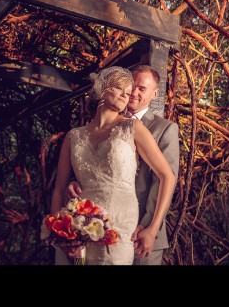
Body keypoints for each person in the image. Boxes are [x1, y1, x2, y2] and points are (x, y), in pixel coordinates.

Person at [50, 66, 176, 265]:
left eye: (131, 91)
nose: (129, 94)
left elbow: (167, 176)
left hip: (121, 224)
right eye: (121, 88)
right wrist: (59, 231)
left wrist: (152, 228)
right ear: (102, 88)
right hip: (79, 222)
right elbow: (58, 189)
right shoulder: (74, 135)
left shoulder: (133, 127)